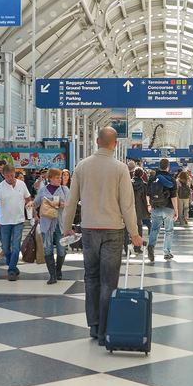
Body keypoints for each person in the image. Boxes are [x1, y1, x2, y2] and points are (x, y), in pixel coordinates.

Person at [63, 127, 142, 346]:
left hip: (89, 229)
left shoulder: (82, 166)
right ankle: (105, 329)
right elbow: (127, 204)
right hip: (113, 230)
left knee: (91, 278)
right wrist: (134, 233)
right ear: (115, 144)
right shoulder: (120, 169)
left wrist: (67, 226)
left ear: (97, 141)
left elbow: (71, 201)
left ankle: (94, 325)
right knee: (109, 281)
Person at [0, 164, 33, 281]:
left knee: (16, 246)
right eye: (7, 176)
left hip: (19, 220)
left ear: (15, 173)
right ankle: (13, 267)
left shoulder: (22, 184)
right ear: (3, 176)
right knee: (5, 248)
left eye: (12, 175)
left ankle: (11, 270)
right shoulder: (0, 187)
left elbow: (28, 199)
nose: (10, 178)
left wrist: (30, 207)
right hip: (5, 221)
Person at [34, 168, 70, 284]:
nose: (59, 179)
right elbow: (36, 202)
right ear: (50, 178)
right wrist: (31, 205)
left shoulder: (64, 190)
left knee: (61, 250)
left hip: (60, 224)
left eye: (60, 177)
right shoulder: (43, 190)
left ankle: (58, 269)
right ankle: (52, 275)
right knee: (48, 249)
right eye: (57, 177)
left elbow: (70, 205)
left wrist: (60, 204)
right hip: (46, 224)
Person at [147, 158, 178, 261]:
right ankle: (166, 252)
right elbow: (173, 197)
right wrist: (176, 211)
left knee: (154, 229)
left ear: (159, 166)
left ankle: (151, 248)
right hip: (168, 208)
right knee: (169, 230)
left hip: (156, 207)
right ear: (168, 167)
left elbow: (148, 194)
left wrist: (149, 205)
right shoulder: (171, 179)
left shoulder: (153, 178)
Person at [130, 167, 150, 254]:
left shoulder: (128, 183)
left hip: (128, 208)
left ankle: (127, 247)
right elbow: (145, 199)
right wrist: (147, 208)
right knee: (139, 227)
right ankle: (137, 247)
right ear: (142, 175)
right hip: (139, 209)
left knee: (127, 228)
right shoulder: (143, 185)